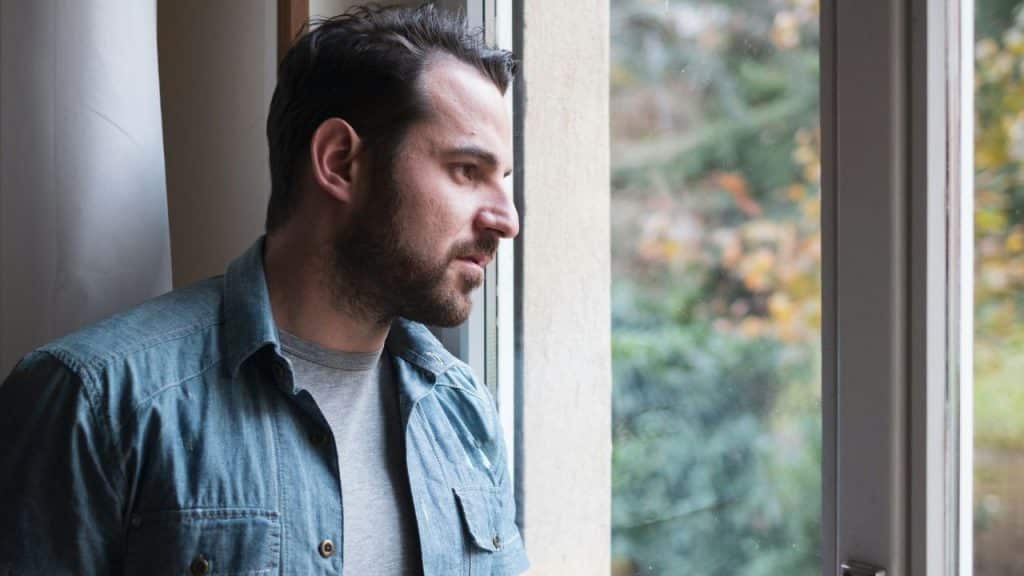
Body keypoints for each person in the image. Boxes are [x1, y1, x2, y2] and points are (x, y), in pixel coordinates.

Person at [0, 5, 527, 575]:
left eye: (503, 181)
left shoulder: (461, 408)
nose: (506, 218)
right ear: (340, 162)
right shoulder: (94, 402)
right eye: (467, 170)